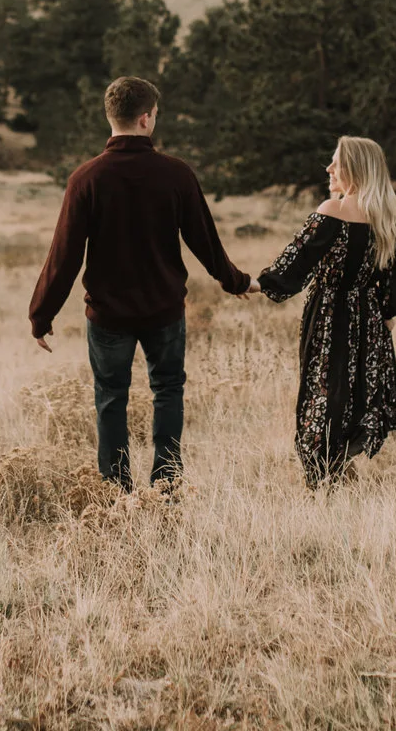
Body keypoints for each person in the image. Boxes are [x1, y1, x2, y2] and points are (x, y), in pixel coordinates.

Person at [28, 76, 254, 490]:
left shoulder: (86, 178)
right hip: (163, 310)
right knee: (168, 391)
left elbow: (64, 255)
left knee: (111, 399)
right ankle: (166, 483)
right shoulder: (176, 174)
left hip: (108, 313)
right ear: (147, 119)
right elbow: (204, 240)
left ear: (110, 117)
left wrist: (41, 314)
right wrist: (235, 280)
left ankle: (116, 490)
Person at [257, 135, 396, 487]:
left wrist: (256, 284)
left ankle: (322, 478)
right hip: (369, 319)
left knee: (322, 392)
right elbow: (392, 289)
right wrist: (380, 322)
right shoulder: (391, 218)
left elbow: (294, 264)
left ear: (354, 168)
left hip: (329, 315)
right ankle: (340, 469)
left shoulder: (333, 211)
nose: (329, 168)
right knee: (358, 394)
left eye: (336, 162)